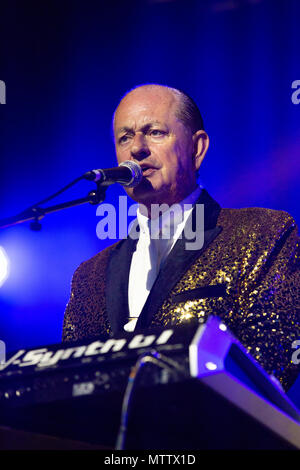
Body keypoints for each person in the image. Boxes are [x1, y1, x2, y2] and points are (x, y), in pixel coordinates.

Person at [62, 84, 300, 392]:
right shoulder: (89, 275)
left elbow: (268, 365)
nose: (136, 148)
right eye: (125, 138)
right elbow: (70, 386)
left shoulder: (262, 233)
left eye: (156, 132)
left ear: (196, 149)